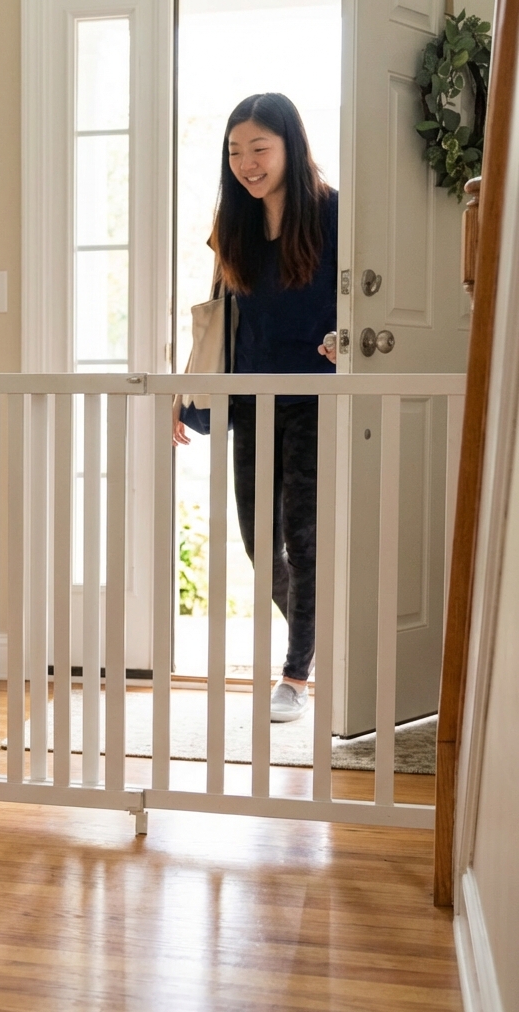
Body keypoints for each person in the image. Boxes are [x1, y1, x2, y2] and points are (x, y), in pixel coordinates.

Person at [173, 92, 337, 723]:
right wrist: (186, 391)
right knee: (256, 541)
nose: (247, 163)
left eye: (259, 148)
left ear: (290, 146)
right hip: (249, 399)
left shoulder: (331, 213)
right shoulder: (234, 222)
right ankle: (321, 630)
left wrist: (339, 341)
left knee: (304, 538)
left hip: (313, 400)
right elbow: (215, 317)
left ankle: (295, 673)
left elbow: (356, 299)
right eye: (236, 151)